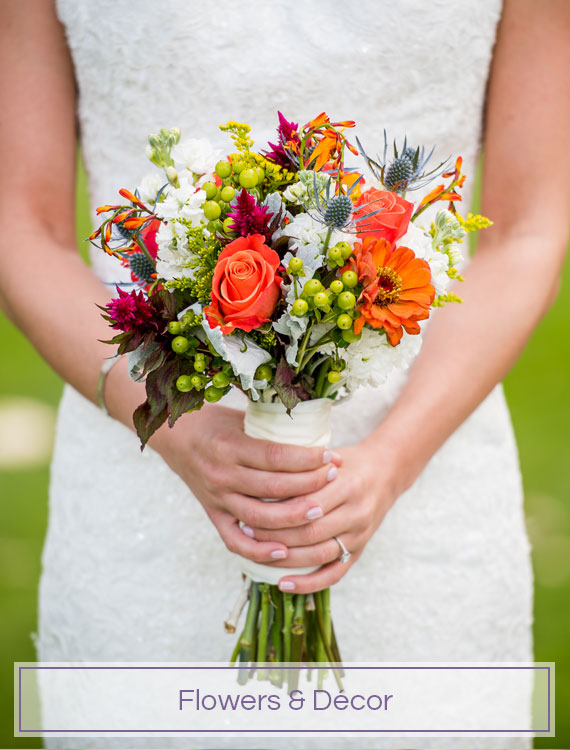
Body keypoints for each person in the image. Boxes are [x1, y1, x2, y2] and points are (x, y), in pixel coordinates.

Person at [1, 0, 569, 748]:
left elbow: (526, 227)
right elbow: (21, 222)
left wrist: (393, 462)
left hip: (428, 482)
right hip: (142, 483)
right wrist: (175, 427)